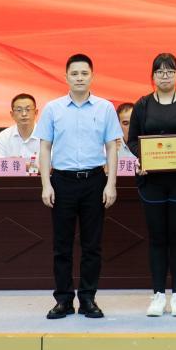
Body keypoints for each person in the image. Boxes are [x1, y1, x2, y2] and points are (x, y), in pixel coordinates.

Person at [35, 53, 122, 319]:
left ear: (92, 76)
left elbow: (112, 147)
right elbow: (45, 148)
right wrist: (46, 184)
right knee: (61, 245)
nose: (79, 78)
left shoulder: (105, 108)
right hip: (62, 182)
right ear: (66, 77)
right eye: (74, 74)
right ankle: (63, 300)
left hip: (94, 181)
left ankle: (87, 299)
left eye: (84, 73)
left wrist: (111, 184)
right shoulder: (53, 108)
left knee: (92, 245)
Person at [127, 53, 176, 318]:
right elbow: (132, 141)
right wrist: (142, 157)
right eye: (160, 72)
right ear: (152, 76)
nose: (165, 76)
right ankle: (159, 294)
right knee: (157, 238)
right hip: (152, 182)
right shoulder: (142, 105)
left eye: (170, 71)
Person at [0, 93, 41, 174]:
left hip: (40, 181)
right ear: (12, 114)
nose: (24, 114)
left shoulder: (45, 135)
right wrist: (24, 166)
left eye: (28, 109)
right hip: (12, 182)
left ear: (36, 112)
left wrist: (21, 165)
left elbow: (50, 169)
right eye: (19, 110)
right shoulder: (4, 135)